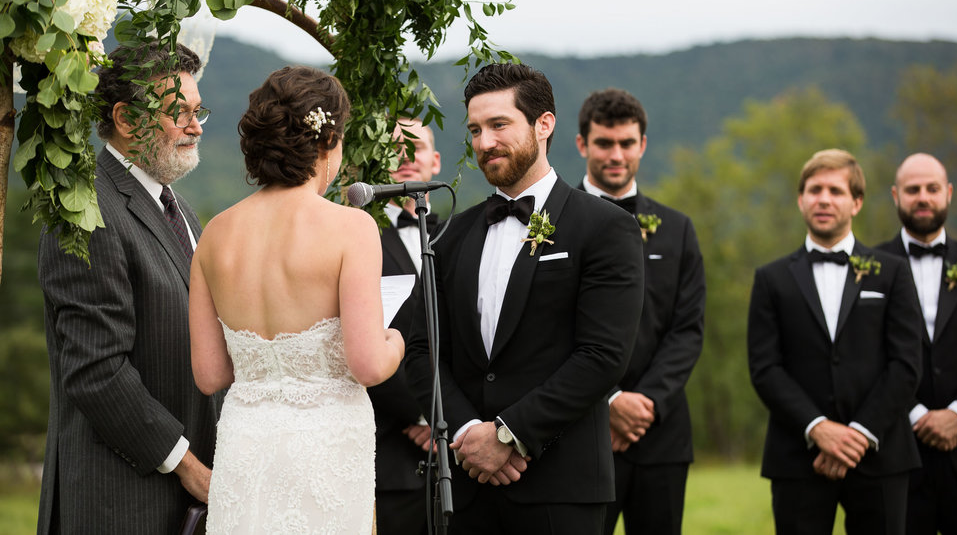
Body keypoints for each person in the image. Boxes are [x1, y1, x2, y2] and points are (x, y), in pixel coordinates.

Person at [406, 63, 645, 534]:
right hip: (466, 486)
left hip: (561, 488)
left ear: (544, 124)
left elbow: (602, 355)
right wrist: (469, 433)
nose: (484, 142)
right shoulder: (450, 237)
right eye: (475, 129)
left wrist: (510, 435)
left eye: (499, 125)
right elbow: (421, 348)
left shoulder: (605, 227)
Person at [188, 66, 405, 533]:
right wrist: (396, 341)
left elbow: (210, 375)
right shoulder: (352, 228)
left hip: (245, 449)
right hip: (325, 452)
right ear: (327, 141)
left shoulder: (214, 236)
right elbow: (368, 364)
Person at [36, 43, 222, 533]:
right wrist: (189, 467)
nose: (196, 126)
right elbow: (97, 371)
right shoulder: (84, 210)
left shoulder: (182, 210)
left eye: (198, 111)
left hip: (179, 507)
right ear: (124, 118)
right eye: (178, 113)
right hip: (117, 503)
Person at [747, 148, 923, 535]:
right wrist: (818, 428)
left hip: (880, 454)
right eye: (814, 189)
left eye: (836, 191)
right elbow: (765, 369)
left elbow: (906, 363)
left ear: (856, 202)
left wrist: (859, 434)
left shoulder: (892, 273)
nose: (823, 199)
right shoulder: (771, 279)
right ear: (800, 199)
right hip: (799, 455)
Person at [574, 88, 705, 535]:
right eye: (605, 143)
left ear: (643, 145)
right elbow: (549, 327)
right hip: (578, 432)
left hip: (661, 435)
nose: (616, 154)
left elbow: (687, 330)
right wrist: (607, 402)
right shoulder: (550, 225)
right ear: (582, 145)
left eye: (627, 143)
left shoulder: (678, 230)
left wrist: (644, 404)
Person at [875, 153, 957, 534]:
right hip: (898, 458)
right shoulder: (870, 267)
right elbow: (867, 356)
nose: (923, 197)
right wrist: (915, 415)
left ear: (949, 193)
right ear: (896, 196)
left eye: (932, 188)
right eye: (913, 190)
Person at [369, 117, 441, 535]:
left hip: (459, 452)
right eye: (395, 147)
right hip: (390, 447)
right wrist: (418, 413)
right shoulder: (361, 237)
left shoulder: (457, 234)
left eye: (417, 147)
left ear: (434, 160)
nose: (406, 157)